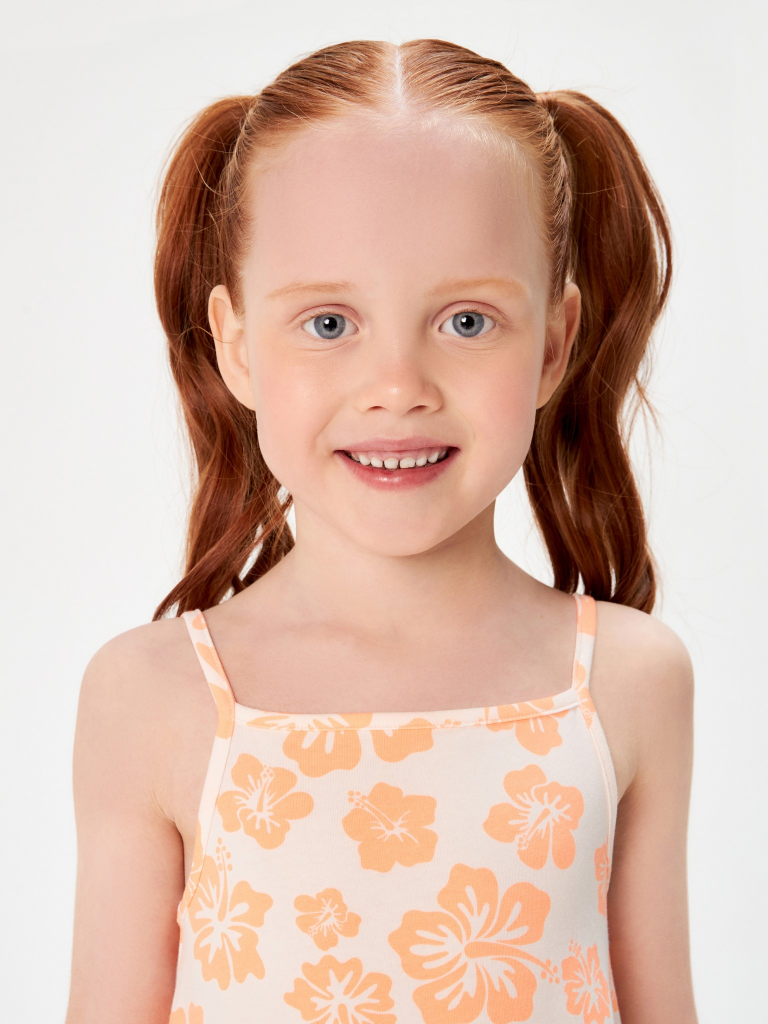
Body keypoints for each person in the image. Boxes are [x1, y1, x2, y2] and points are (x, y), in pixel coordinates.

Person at [65, 38, 698, 1024]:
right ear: (235, 343)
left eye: (467, 321)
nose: (397, 387)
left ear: (554, 343)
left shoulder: (629, 681)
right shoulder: (149, 696)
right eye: (329, 323)